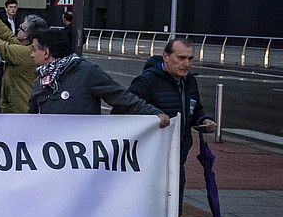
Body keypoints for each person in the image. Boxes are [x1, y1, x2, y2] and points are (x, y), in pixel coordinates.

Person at [28, 28, 168, 124]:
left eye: (34, 49)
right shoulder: (41, 78)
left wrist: (155, 115)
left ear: (46, 52)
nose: (32, 54)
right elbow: (32, 115)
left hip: (82, 155)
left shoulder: (86, 72)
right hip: (51, 154)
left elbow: (123, 98)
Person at [127, 37, 216, 177]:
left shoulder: (190, 81)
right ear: (166, 57)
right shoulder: (147, 81)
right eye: (181, 58)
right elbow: (126, 108)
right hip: (150, 160)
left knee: (176, 198)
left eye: (190, 59)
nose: (186, 63)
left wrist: (203, 121)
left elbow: (194, 109)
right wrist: (155, 117)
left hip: (178, 158)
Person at [0, 4, 46, 114]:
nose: (18, 27)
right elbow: (9, 36)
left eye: (21, 28)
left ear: (25, 35)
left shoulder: (24, 53)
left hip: (18, 111)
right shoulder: (28, 48)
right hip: (22, 108)